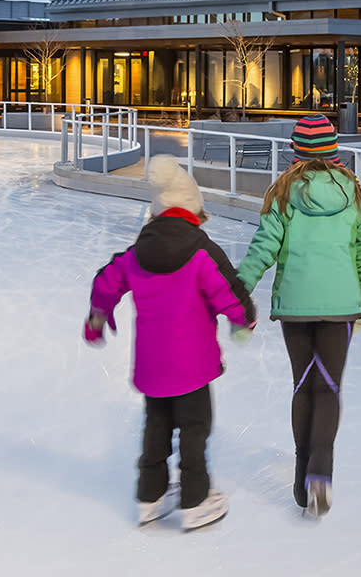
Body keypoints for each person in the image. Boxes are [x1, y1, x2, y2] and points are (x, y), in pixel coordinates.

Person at [84, 155, 255, 531]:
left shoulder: (137, 253)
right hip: (192, 366)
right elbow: (229, 291)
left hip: (152, 366)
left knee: (156, 427)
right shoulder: (200, 251)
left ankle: (150, 497)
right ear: (192, 208)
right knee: (195, 429)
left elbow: (106, 281)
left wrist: (97, 316)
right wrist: (246, 317)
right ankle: (195, 500)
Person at [236, 114, 361, 519]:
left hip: (296, 307)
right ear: (333, 150)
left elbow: (263, 248)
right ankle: (320, 473)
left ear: (296, 151)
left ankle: (301, 475)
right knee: (328, 388)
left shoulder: (281, 193)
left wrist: (238, 289)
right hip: (340, 306)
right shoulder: (352, 192)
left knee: (303, 385)